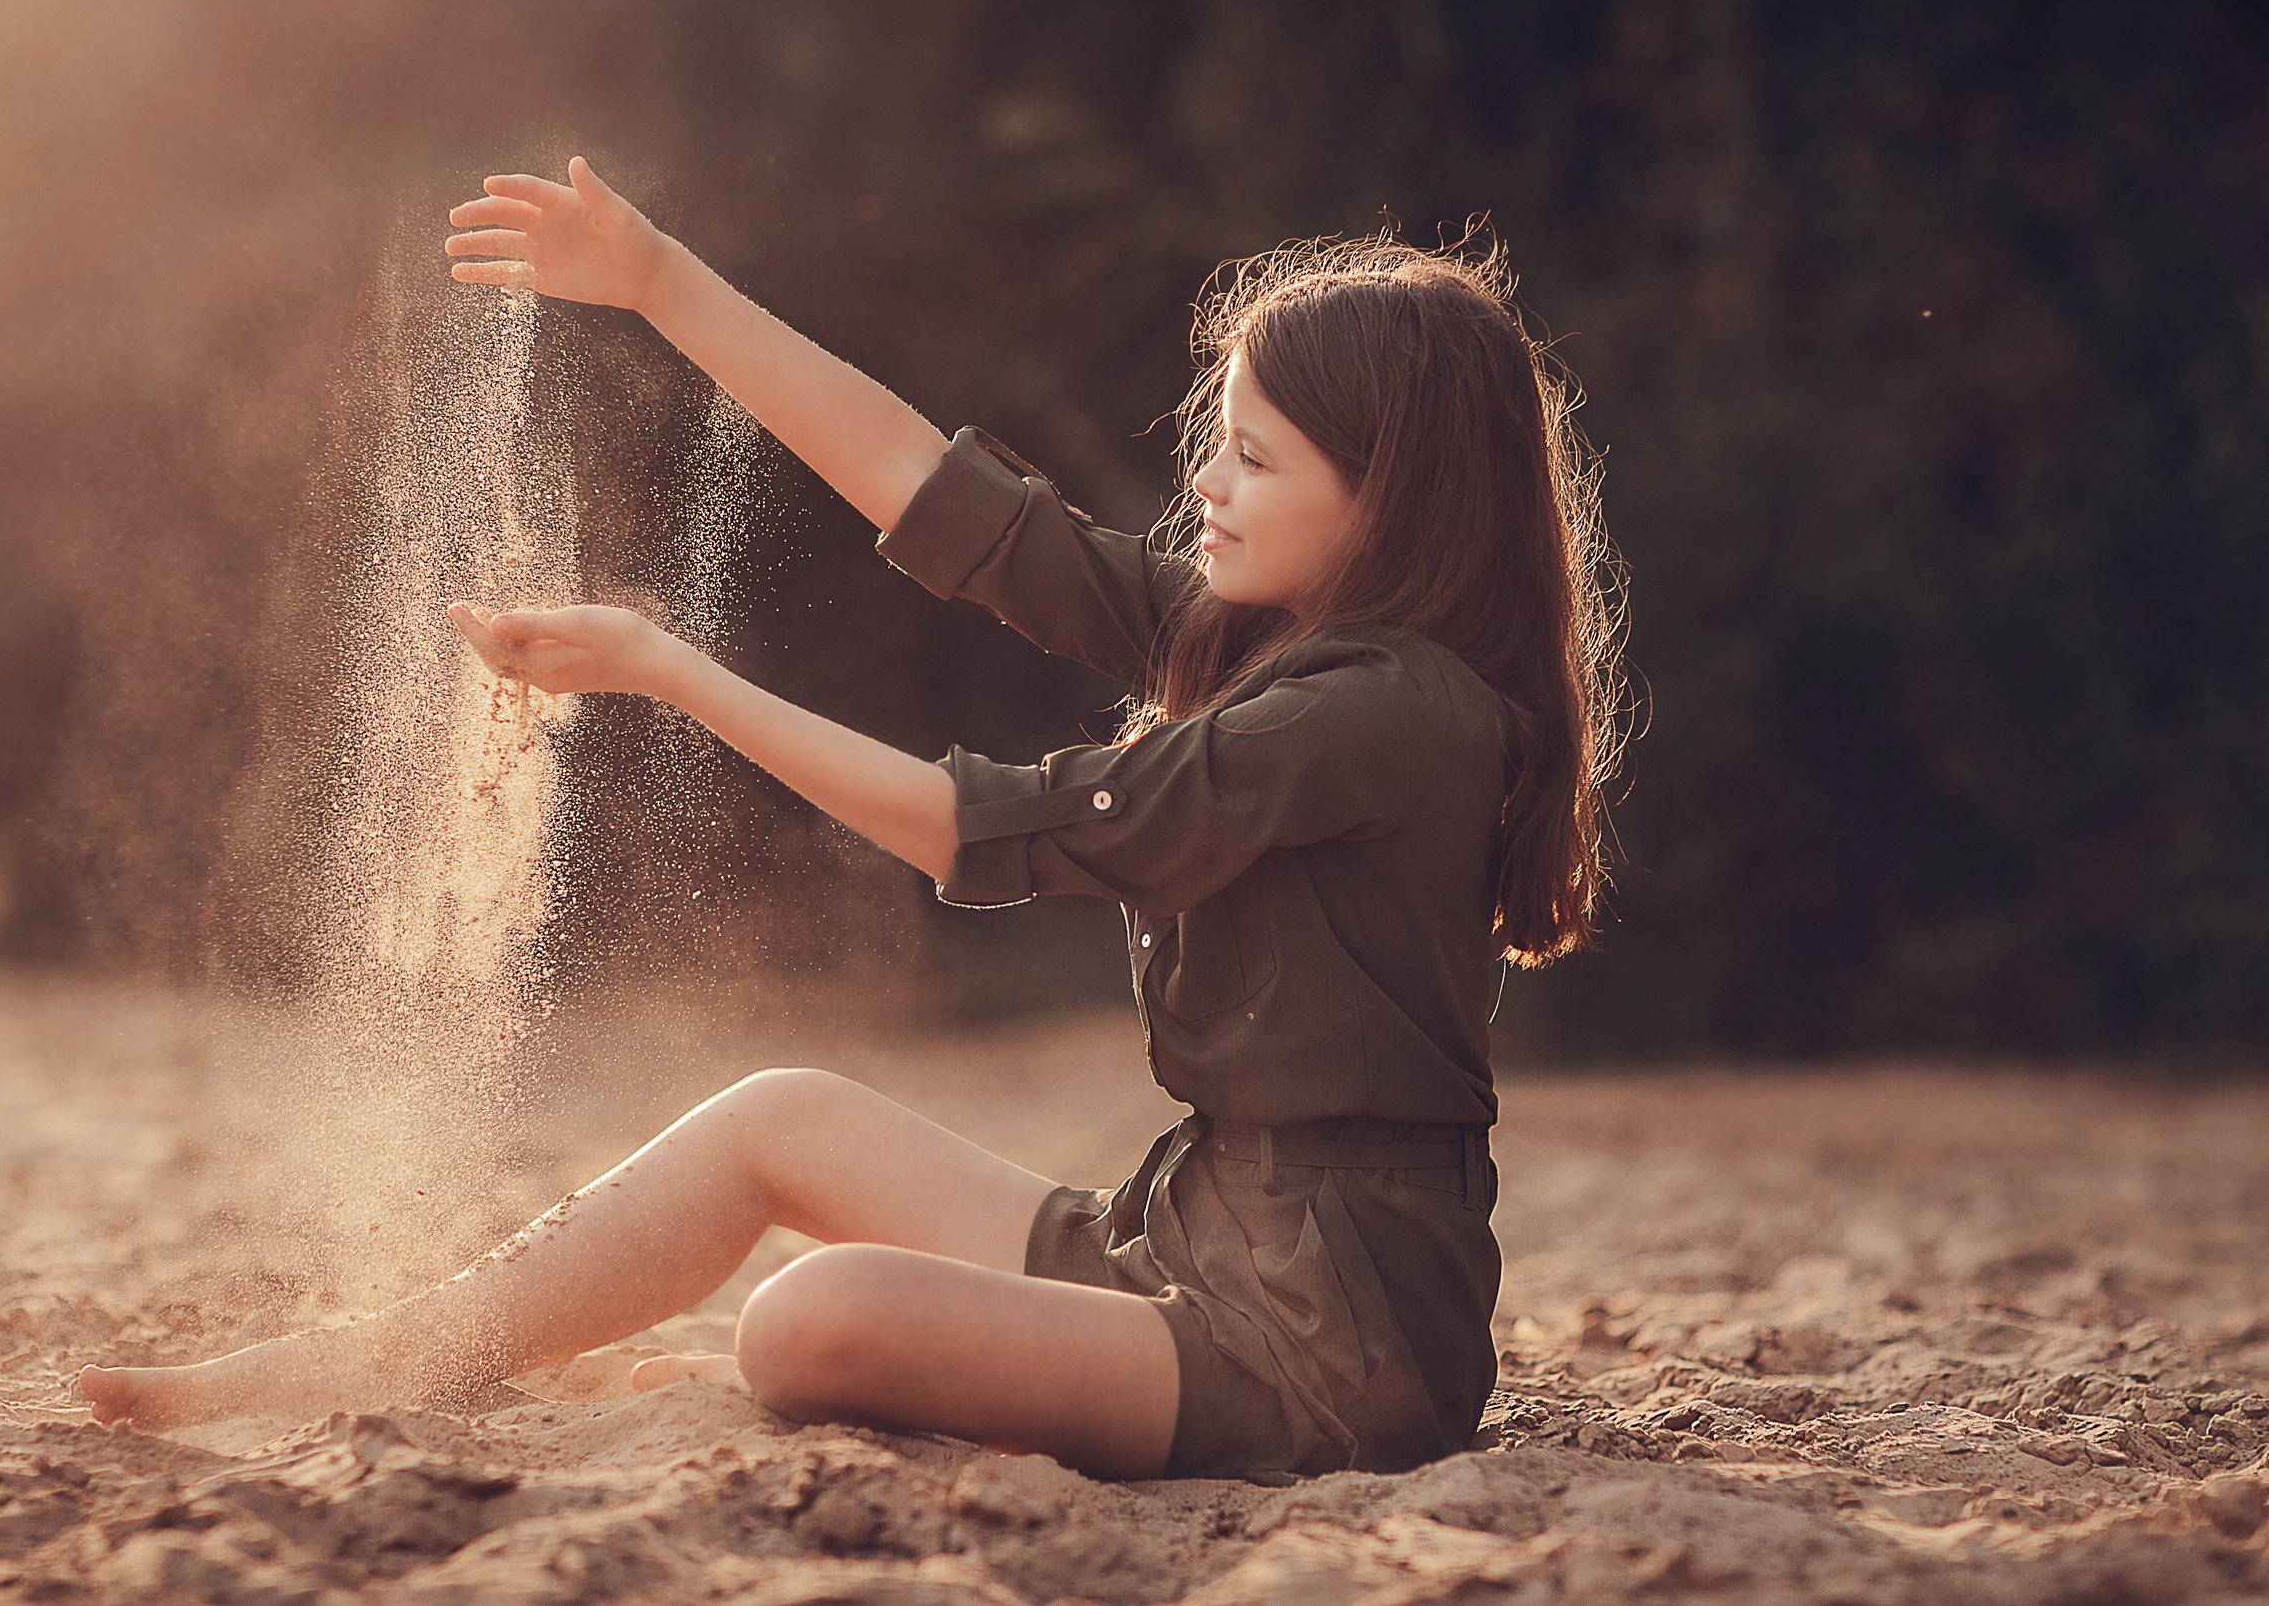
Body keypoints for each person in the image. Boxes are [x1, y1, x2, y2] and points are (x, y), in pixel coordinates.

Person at [79, 157, 1622, 1483]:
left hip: (1328, 1349)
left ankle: (570, 1370)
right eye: (1217, 438)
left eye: (1256, 457)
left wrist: (676, 677)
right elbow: (950, 508)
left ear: (1389, 496)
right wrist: (659, 280)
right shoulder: (1276, 646)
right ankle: (389, 1352)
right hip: (1198, 1241)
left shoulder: (1385, 714)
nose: (1206, 483)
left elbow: (989, 830)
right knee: (779, 1118)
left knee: (810, 1321)